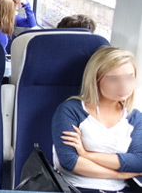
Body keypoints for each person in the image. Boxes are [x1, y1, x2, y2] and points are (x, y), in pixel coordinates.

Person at [52, 46, 142, 193]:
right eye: (114, 79)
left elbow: (138, 162)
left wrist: (87, 155)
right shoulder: (71, 110)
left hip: (121, 189)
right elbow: (71, 161)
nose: (124, 86)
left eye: (129, 77)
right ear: (96, 80)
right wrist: (120, 174)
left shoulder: (135, 117)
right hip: (76, 187)